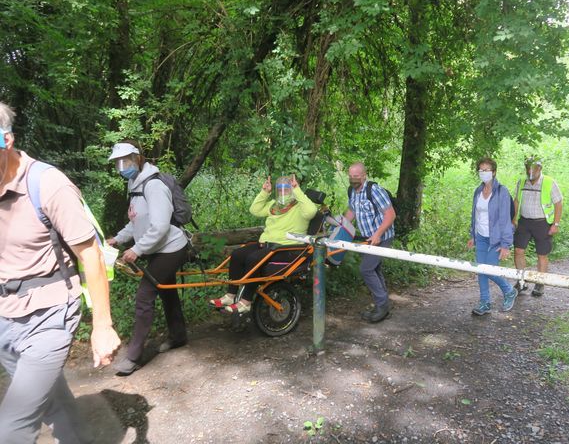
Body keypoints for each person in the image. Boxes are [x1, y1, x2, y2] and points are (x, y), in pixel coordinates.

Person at [0, 102, 121, 443]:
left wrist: (102, 325)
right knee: (54, 402)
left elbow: (91, 256)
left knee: (11, 428)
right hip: (4, 317)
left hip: (49, 315)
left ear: (6, 140)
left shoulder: (48, 185)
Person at [106, 142, 189, 376]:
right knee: (167, 291)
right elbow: (137, 222)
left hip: (172, 247)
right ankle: (179, 336)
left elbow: (161, 226)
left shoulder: (153, 186)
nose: (121, 167)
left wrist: (137, 250)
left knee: (144, 296)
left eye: (125, 162)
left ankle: (133, 357)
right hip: (157, 248)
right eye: (118, 164)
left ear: (137, 159)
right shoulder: (135, 185)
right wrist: (118, 239)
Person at [209, 175, 317, 314]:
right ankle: (231, 296)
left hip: (286, 248)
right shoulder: (274, 205)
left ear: (292, 190)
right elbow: (254, 210)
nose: (283, 193)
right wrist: (264, 192)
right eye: (280, 190)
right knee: (237, 254)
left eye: (286, 189)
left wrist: (297, 190)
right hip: (266, 244)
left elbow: (311, 211)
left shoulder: (300, 207)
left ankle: (246, 302)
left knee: (253, 259)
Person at [343, 162, 395, 323]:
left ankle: (382, 305)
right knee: (375, 269)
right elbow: (352, 211)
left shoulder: (375, 191)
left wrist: (378, 234)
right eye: (351, 176)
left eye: (356, 176)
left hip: (382, 237)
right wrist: (340, 227)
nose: (353, 179)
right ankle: (383, 304)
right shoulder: (352, 191)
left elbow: (390, 214)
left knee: (366, 269)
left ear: (364, 175)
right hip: (367, 239)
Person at [467, 158, 518, 316]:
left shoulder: (501, 191)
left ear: (494, 172)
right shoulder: (478, 191)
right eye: (481, 170)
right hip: (480, 236)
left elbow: (505, 219)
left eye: (487, 170)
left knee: (489, 270)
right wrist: (473, 235)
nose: (484, 173)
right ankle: (485, 302)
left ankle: (509, 290)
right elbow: (474, 215)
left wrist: (505, 244)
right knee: (481, 270)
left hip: (495, 238)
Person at [512, 155, 563, 297]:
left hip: (542, 223)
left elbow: (558, 203)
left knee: (542, 254)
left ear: (540, 168)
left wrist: (555, 224)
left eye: (534, 168)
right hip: (524, 222)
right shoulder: (521, 182)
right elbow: (516, 200)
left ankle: (540, 283)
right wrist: (513, 218)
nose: (530, 172)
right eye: (528, 168)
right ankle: (521, 281)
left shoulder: (549, 182)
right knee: (518, 251)